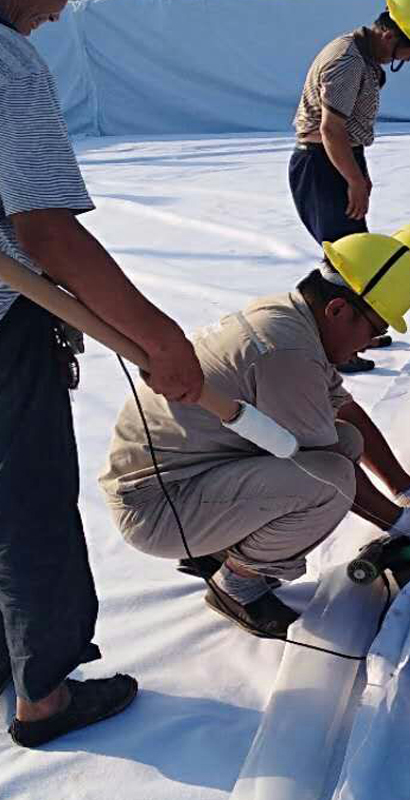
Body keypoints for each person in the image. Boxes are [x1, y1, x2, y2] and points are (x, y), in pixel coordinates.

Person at [0, 2, 205, 748]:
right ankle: (45, 697)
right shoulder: (7, 61)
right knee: (29, 501)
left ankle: (11, 653)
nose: (62, 11)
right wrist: (160, 337)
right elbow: (46, 229)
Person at [100, 234, 410, 638]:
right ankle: (237, 587)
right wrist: (401, 523)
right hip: (158, 509)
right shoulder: (286, 351)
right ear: (338, 309)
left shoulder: (290, 318)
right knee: (328, 482)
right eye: (375, 328)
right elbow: (327, 476)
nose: (370, 343)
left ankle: (222, 544)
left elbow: (345, 413)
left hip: (188, 477)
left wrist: (405, 492)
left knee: (346, 443)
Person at [289, 0, 410, 373]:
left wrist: (358, 172)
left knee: (355, 255)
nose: (408, 59)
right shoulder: (346, 62)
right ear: (390, 36)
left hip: (339, 160)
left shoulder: (364, 58)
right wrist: (354, 179)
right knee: (342, 260)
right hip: (322, 163)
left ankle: (357, 330)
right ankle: (331, 345)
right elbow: (330, 130)